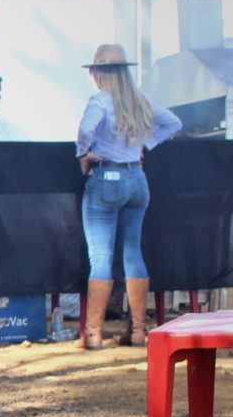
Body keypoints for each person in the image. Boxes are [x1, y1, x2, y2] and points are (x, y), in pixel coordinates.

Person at [75, 43, 182, 350]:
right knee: (133, 252)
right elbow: (174, 123)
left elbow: (84, 131)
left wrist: (85, 152)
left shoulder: (100, 100)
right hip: (136, 177)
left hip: (107, 176)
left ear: (100, 72)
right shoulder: (139, 100)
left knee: (102, 256)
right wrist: (146, 144)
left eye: (94, 69)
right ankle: (138, 330)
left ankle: (93, 333)